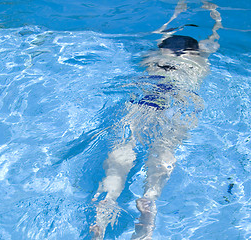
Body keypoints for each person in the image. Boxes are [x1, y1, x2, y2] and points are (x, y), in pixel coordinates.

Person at [91, 1, 222, 239]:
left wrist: (177, 11)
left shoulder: (155, 55)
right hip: (180, 101)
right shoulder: (200, 61)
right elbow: (216, 34)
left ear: (165, 49)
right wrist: (213, 11)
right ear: (195, 50)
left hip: (144, 100)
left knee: (123, 149)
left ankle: (108, 201)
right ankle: (150, 198)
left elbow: (162, 32)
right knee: (164, 150)